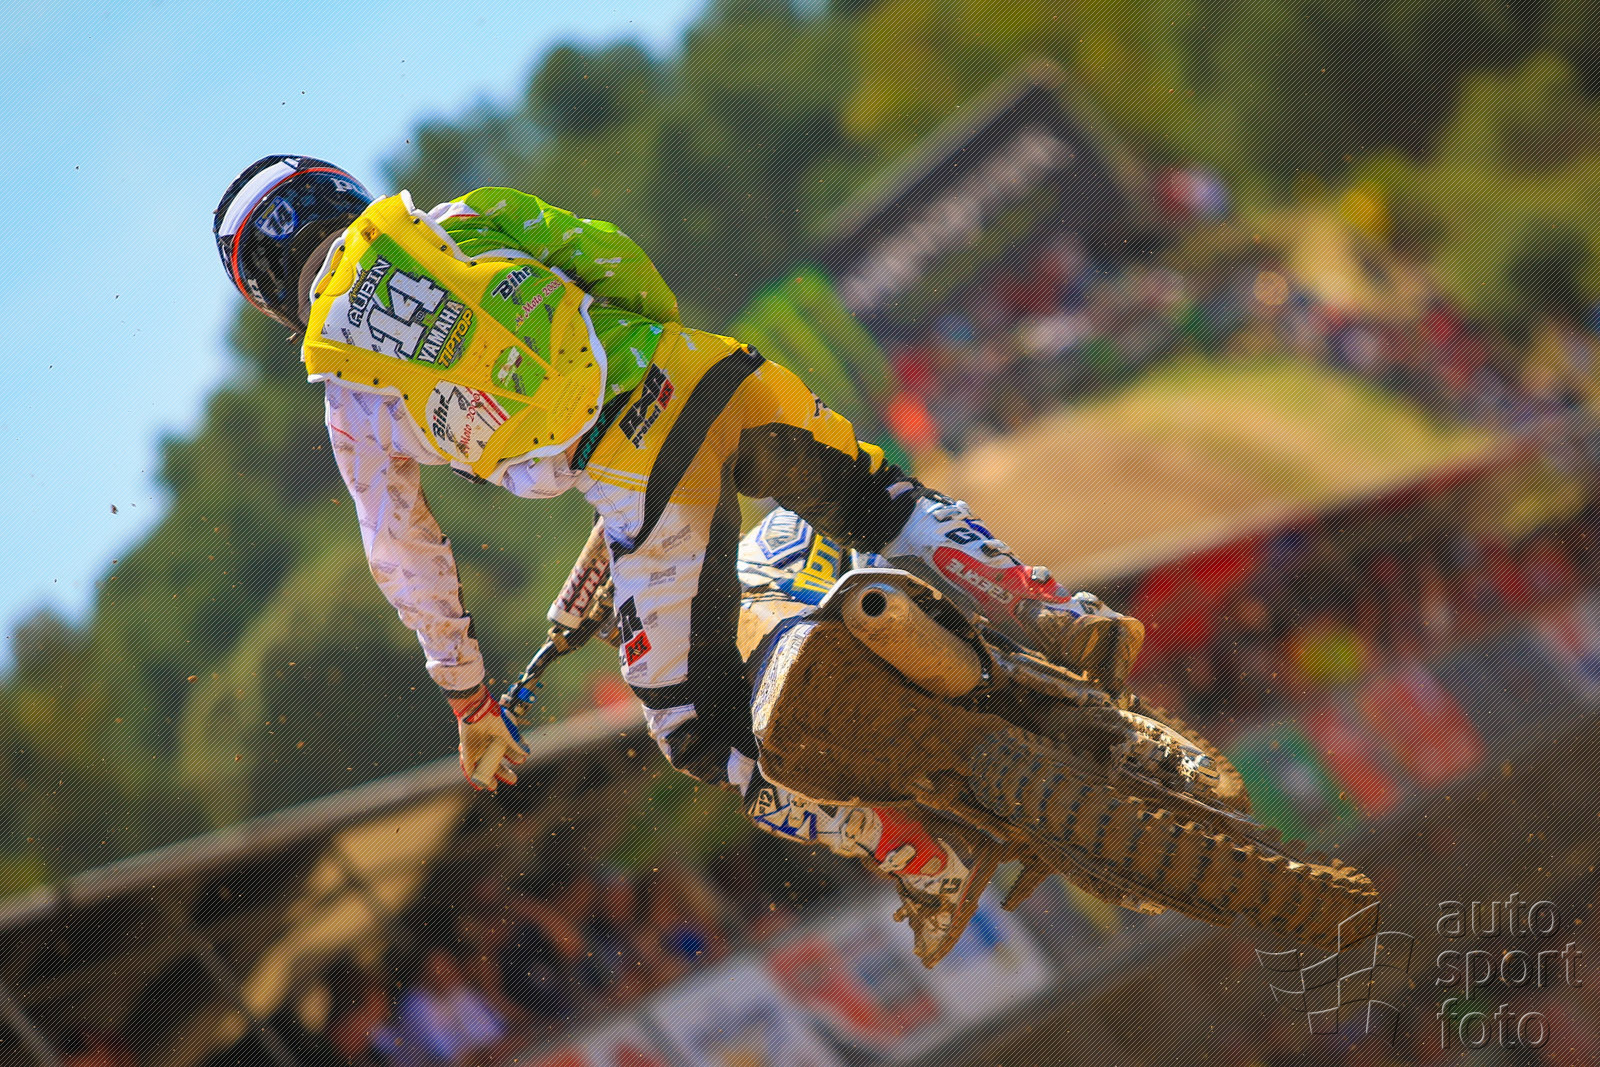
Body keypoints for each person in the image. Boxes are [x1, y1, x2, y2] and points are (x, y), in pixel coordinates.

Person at [212, 155, 1144, 959]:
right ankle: (1048, 608)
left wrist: (468, 697)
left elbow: (404, 556)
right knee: (875, 499)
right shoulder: (465, 218)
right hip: (712, 376)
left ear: (270, 295)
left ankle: (924, 858)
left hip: (638, 481)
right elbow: (613, 255)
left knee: (696, 732)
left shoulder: (350, 395)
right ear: (342, 190)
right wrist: (660, 348)